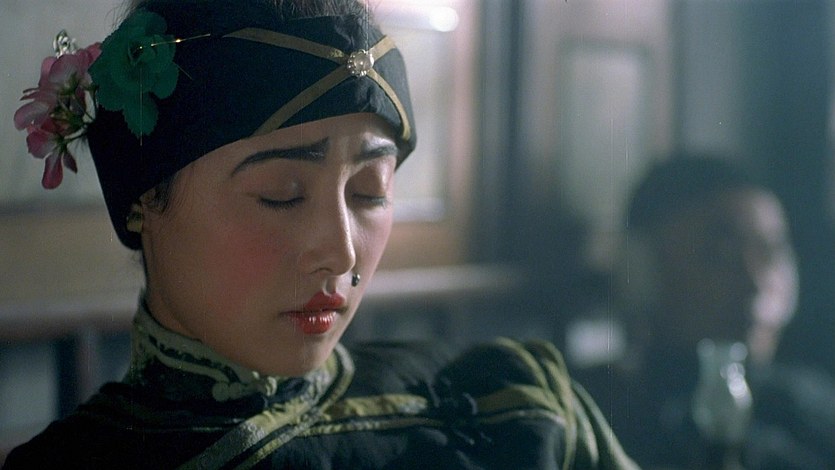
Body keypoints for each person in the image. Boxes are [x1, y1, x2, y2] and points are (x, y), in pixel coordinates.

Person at [4, 1, 637, 468]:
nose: (340, 251)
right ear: (145, 200)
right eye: (280, 194)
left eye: (369, 191)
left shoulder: (509, 403)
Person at [573, 154, 834, 469]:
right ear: (643, 275)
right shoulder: (594, 418)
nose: (755, 282)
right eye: (721, 254)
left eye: (769, 251)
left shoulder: (814, 407)